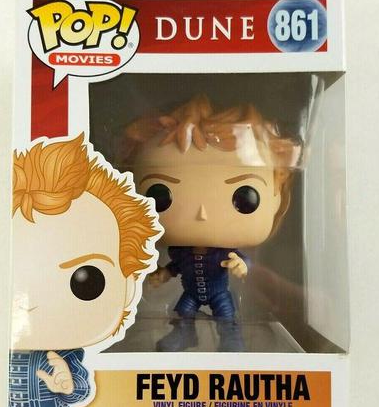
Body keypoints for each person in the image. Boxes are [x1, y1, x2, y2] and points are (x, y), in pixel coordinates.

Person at [123, 95, 300, 351]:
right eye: (160, 196)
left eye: (245, 197)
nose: (202, 213)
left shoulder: (225, 253)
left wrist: (242, 266)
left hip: (219, 293)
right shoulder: (180, 253)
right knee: (183, 313)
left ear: (277, 196)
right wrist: (163, 273)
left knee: (226, 317)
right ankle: (184, 336)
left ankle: (232, 341)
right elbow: (175, 267)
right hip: (191, 293)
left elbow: (244, 263)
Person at [9, 134, 161, 407]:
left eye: (87, 282)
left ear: (129, 286)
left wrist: (66, 384)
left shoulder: (64, 354)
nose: (34, 304)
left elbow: (81, 389)